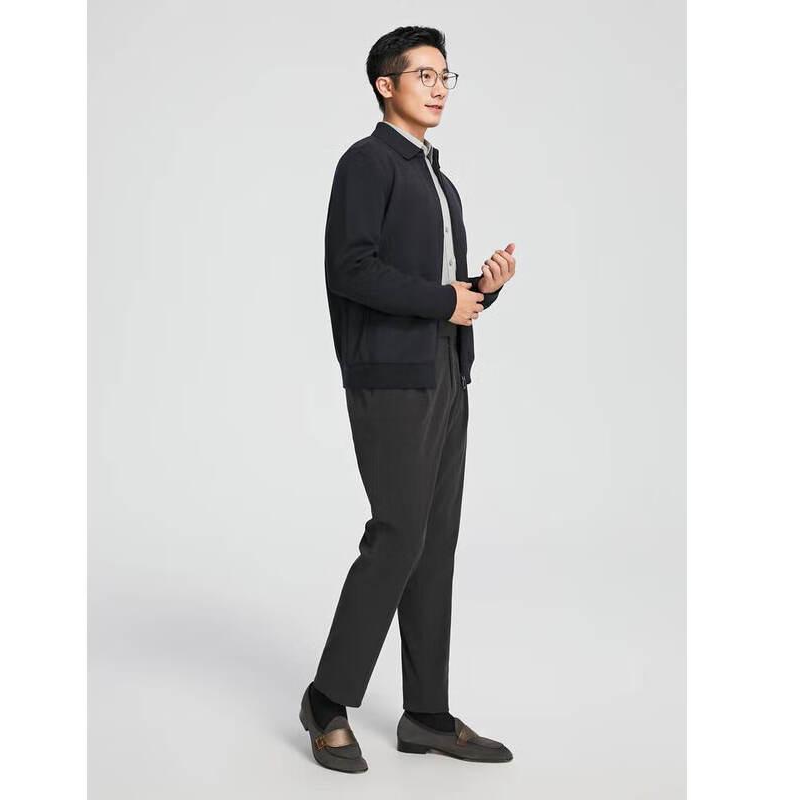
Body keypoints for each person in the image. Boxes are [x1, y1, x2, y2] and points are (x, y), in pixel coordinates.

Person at [298, 25, 517, 773]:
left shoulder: (438, 179)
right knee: (397, 534)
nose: (438, 87)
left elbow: (438, 292)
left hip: (446, 373)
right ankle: (327, 699)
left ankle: (426, 714)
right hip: (391, 378)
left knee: (434, 543)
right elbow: (351, 269)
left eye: (445, 75)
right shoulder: (366, 163)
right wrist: (443, 299)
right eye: (423, 74)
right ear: (385, 85)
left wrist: (481, 290)